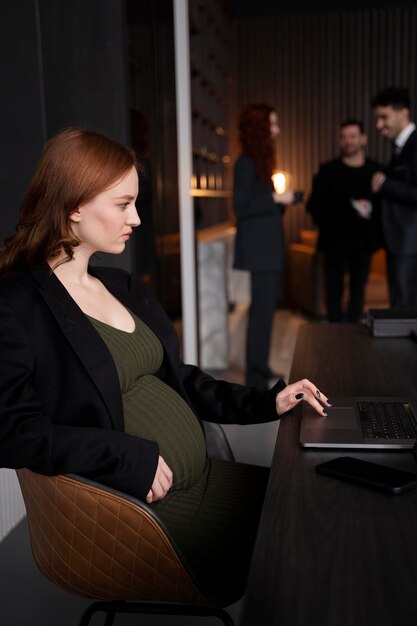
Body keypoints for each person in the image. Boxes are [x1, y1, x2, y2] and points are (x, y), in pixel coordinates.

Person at [0, 127, 329, 605]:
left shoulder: (122, 286)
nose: (135, 217)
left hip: (210, 480)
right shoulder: (18, 305)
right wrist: (123, 456)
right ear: (73, 205)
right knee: (316, 543)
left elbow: (183, 381)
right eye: (122, 203)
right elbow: (11, 430)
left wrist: (266, 400)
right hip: (150, 518)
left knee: (321, 506)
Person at [233, 103, 298, 390]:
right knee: (261, 313)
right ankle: (255, 377)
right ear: (260, 128)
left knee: (265, 312)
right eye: (272, 124)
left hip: (266, 249)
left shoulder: (258, 163)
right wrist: (276, 200)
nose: (277, 130)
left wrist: (281, 202)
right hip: (260, 252)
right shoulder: (245, 163)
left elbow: (262, 207)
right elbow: (242, 206)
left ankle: (260, 367)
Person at [306, 119, 382, 323]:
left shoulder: (376, 171)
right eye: (344, 137)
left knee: (358, 294)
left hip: (363, 244)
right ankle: (335, 340)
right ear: (340, 141)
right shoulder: (328, 171)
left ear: (363, 139)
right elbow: (313, 206)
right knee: (333, 295)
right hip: (333, 243)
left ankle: (354, 342)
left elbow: (384, 208)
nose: (348, 141)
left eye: (353, 136)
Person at [371, 87, 417, 309]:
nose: (379, 125)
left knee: (404, 316)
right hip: (400, 245)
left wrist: (384, 185)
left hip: (410, 246)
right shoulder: (400, 148)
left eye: (384, 117)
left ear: (403, 113)